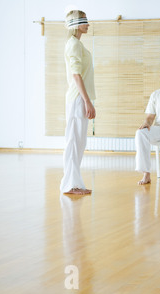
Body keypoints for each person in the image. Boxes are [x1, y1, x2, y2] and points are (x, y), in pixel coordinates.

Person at [60, 10, 96, 195]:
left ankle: (75, 183)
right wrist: (87, 101)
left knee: (79, 142)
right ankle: (69, 185)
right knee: (74, 142)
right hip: (77, 99)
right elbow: (76, 75)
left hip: (80, 99)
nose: (88, 24)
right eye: (84, 21)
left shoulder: (77, 44)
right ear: (75, 24)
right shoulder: (73, 44)